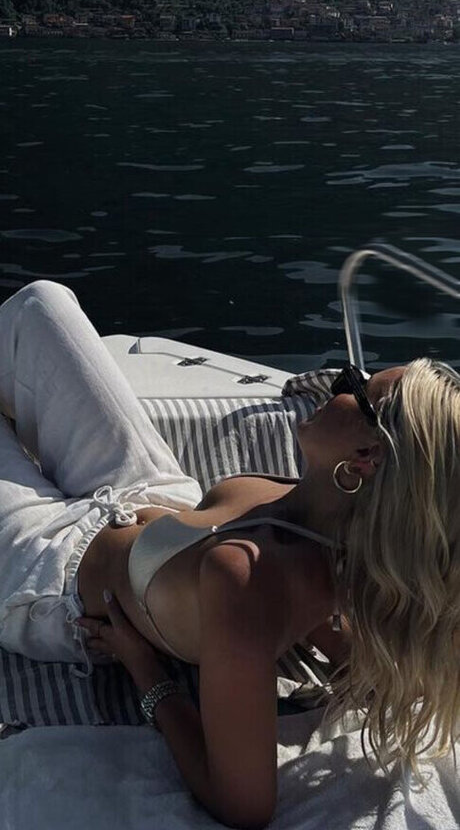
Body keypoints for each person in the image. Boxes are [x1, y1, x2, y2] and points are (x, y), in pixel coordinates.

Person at [1, 280, 459, 829]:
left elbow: (243, 805)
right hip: (146, 497)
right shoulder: (329, 526)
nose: (338, 381)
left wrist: (145, 670)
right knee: (41, 304)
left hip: (50, 573)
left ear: (364, 458)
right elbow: (346, 644)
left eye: (352, 386)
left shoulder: (246, 579)